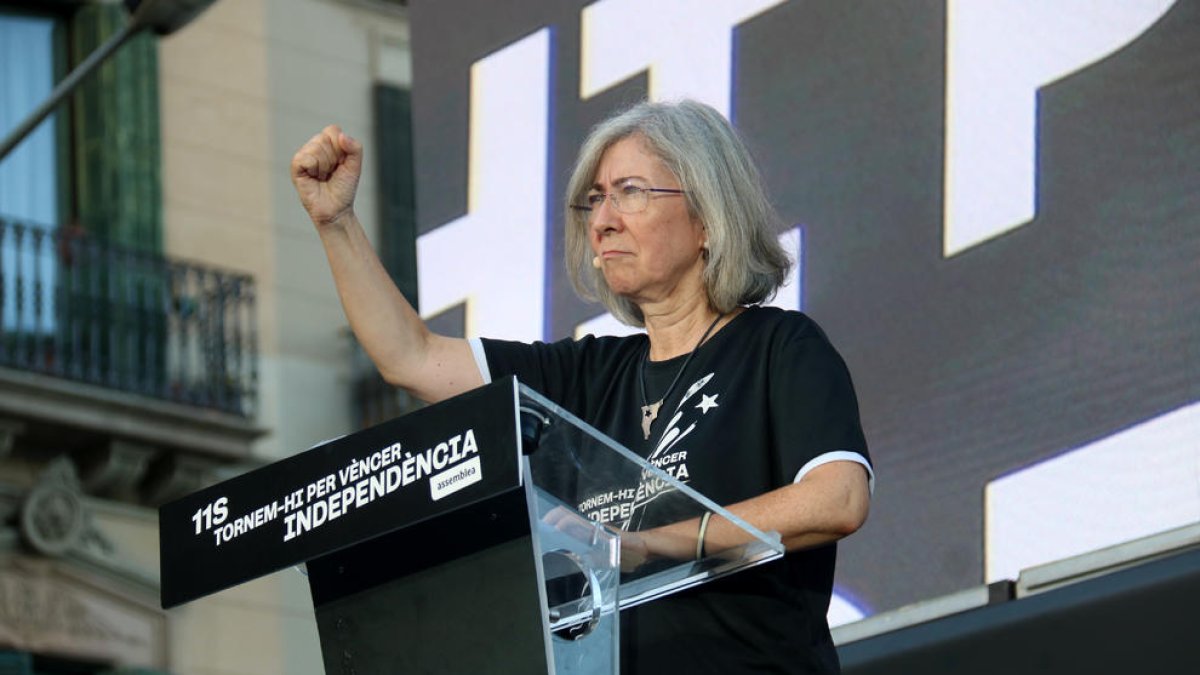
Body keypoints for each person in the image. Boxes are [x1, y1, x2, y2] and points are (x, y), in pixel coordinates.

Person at [292, 99, 873, 674]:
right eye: (595, 199)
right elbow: (412, 358)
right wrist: (335, 221)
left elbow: (838, 498)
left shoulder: (779, 346)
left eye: (631, 191)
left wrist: (651, 543)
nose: (602, 220)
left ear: (707, 217)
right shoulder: (583, 376)